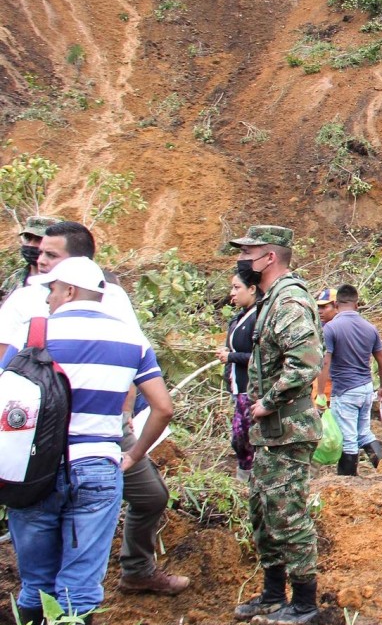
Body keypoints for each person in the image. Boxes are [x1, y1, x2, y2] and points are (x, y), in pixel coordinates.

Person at [0, 221, 186, 597]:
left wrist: (126, 424)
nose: (41, 260)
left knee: (149, 496)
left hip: (97, 432)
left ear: (75, 270)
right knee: (74, 574)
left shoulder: (110, 298)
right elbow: (158, 396)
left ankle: (135, 570)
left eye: (52, 255)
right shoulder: (23, 299)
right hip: (65, 445)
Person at [230, 225, 324, 625]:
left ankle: (303, 602)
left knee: (287, 514)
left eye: (249, 254)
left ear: (270, 257)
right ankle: (272, 594)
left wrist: (267, 403)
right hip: (271, 433)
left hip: (288, 429)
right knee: (264, 511)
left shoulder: (289, 300)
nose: (242, 262)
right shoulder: (269, 301)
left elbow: (305, 362)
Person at [320, 285, 382, 476]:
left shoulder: (331, 328)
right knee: (364, 432)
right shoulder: (370, 327)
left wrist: (319, 393)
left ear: (335, 303)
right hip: (366, 388)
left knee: (348, 438)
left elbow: (325, 363)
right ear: (357, 304)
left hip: (344, 390)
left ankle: (347, 481)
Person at [218, 272, 260, 482]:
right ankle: (246, 475)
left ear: (252, 289)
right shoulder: (239, 317)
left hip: (250, 388)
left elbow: (263, 356)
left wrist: (231, 356)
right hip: (238, 387)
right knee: (239, 436)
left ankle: (250, 476)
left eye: (237, 288)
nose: (232, 293)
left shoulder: (257, 317)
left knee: (244, 435)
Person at [0, 215, 59, 303]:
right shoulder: (13, 279)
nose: (31, 245)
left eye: (39, 239)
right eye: (28, 238)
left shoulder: (63, 282)